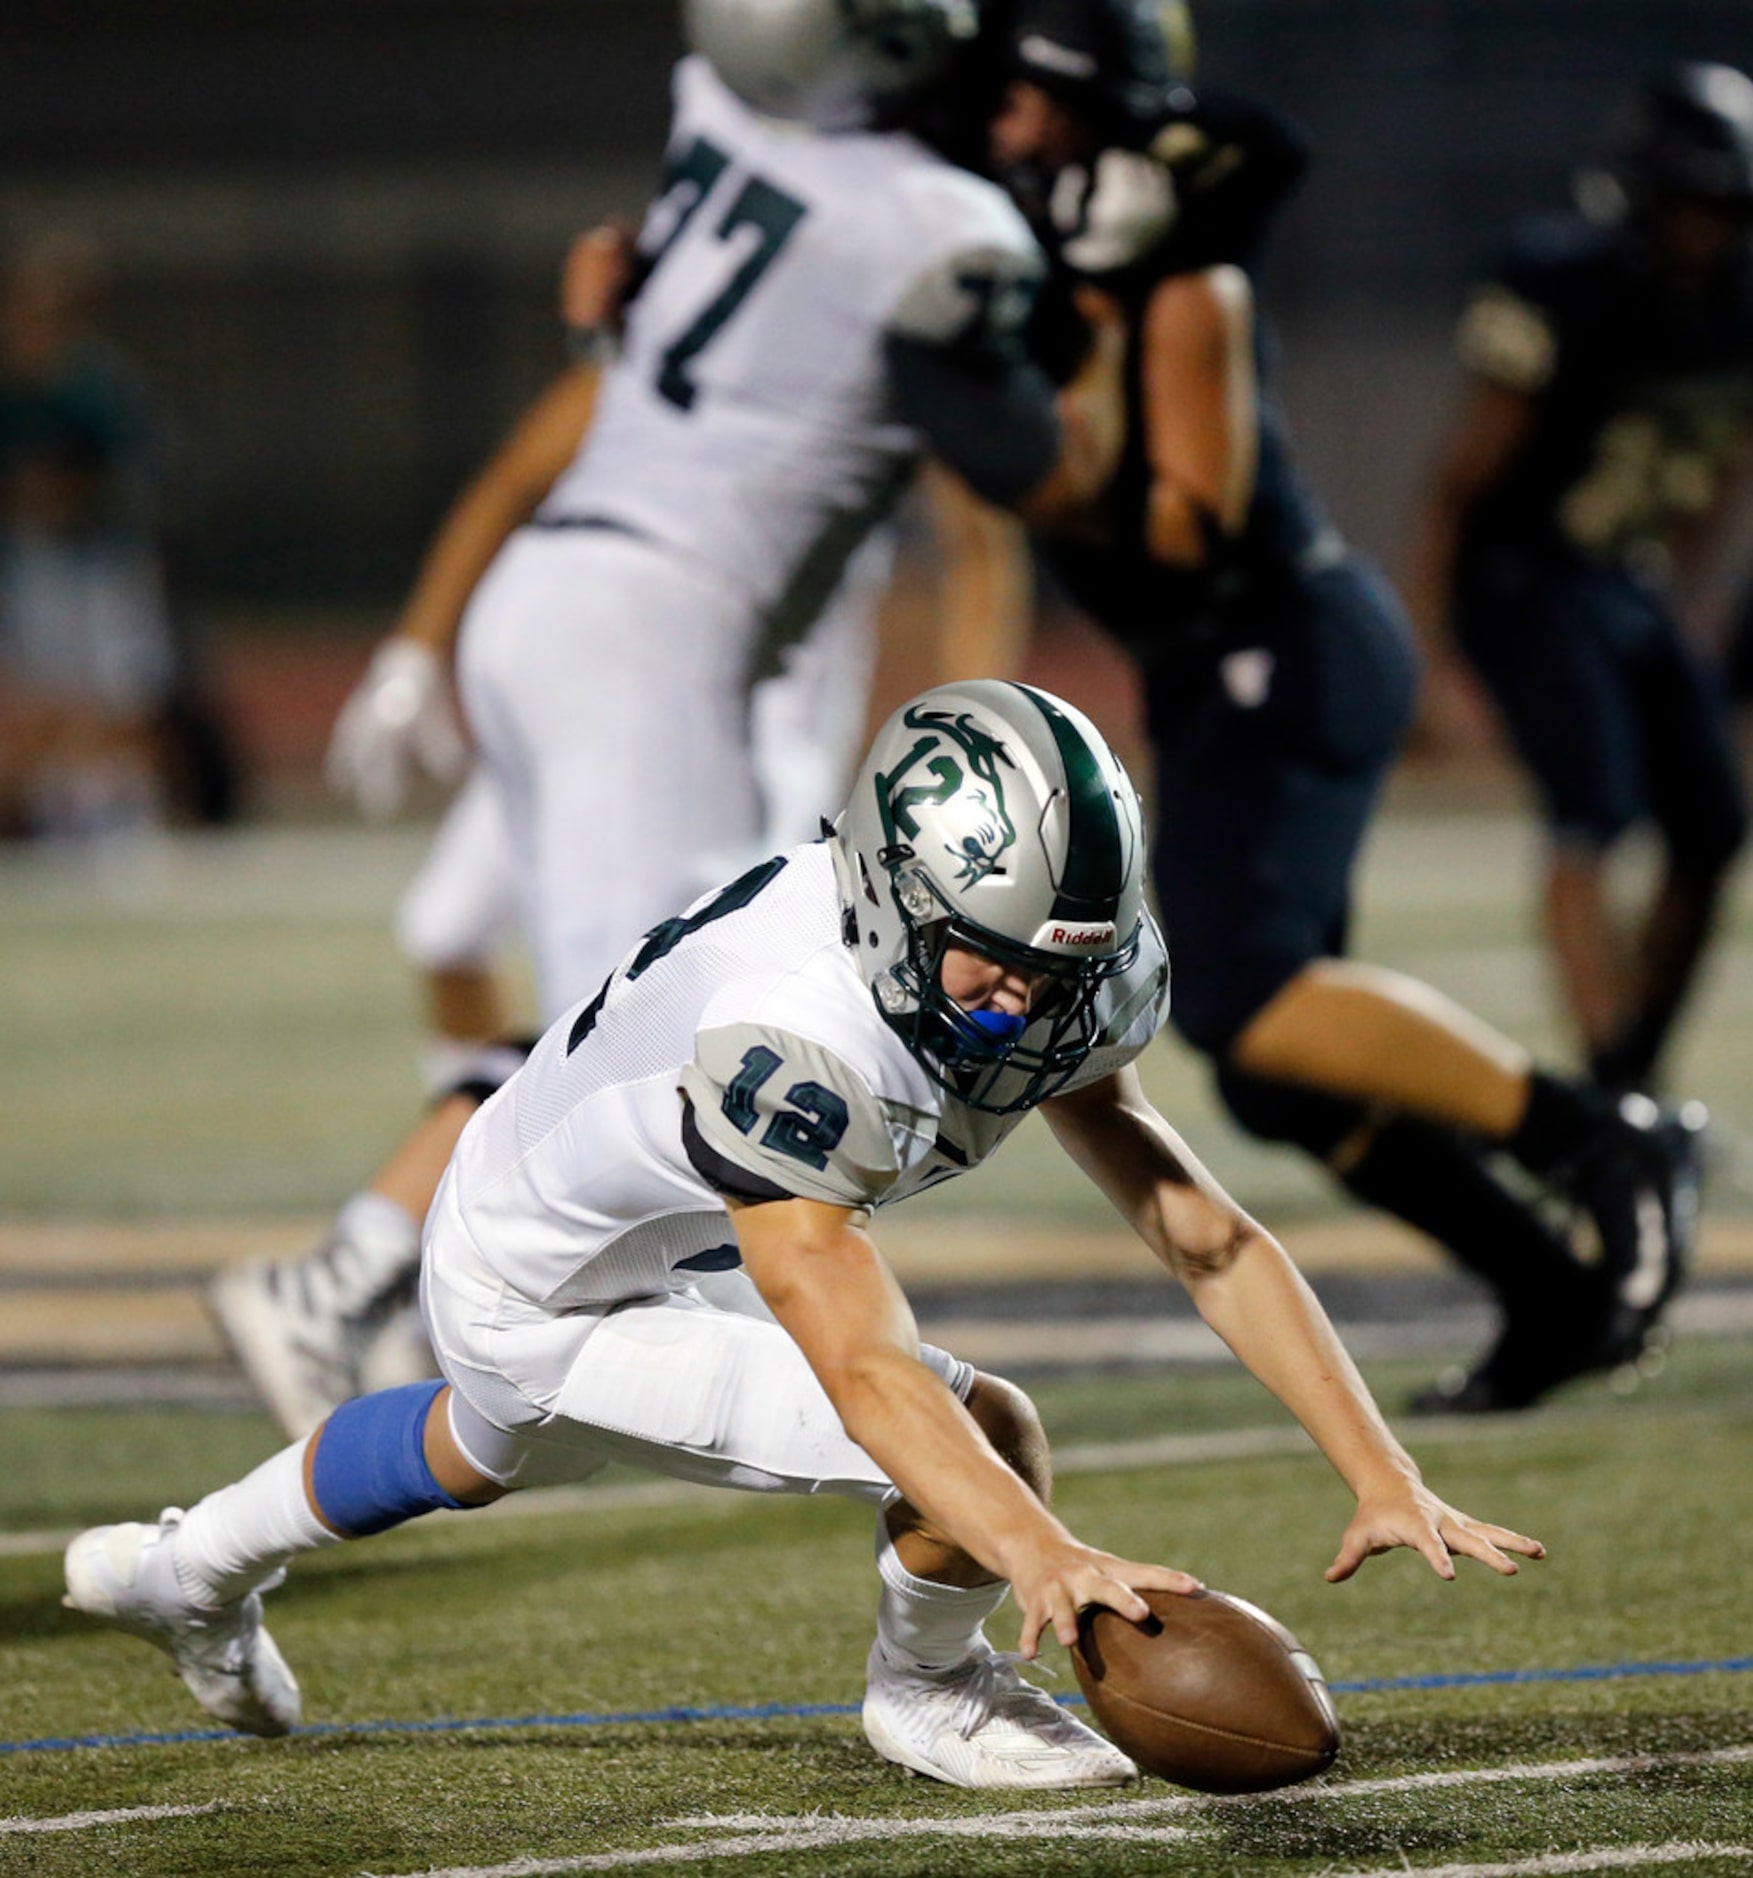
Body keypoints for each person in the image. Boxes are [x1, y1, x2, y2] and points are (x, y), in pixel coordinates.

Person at [64, 678, 1543, 1788]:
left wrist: (1378, 1469)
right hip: (539, 1266)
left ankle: (185, 1569)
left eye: (1052, 968)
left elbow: (1203, 1236)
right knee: (982, 1428)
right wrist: (1039, 1552)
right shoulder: (799, 1036)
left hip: (618, 1202)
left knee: (481, 1442)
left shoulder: (1026, 960)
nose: (1022, 1006)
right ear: (899, 891)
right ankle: (930, 1688)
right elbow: (867, 1366)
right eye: (996, 963)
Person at [982, 1, 1706, 1413]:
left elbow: (1184, 529)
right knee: (1275, 1080)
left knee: (1245, 995)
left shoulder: (1182, 279)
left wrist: (1012, 433)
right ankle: (1546, 1287)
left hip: (1288, 645)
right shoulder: (1070, 263)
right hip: (1223, 675)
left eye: (1028, 107)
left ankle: (1597, 1139)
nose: (1004, 136)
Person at [1404, 61, 1753, 1097]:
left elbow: (1721, 470)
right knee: (1589, 811)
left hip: (1620, 584)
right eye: (1690, 205)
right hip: (1524, 578)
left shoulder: (1738, 305)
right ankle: (1610, 1086)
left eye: (1725, 208)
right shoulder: (1560, 283)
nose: (1708, 230)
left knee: (1712, 823)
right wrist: (1429, 648)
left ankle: (1635, 1071)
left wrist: (1674, 597)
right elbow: (1461, 483)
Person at [0, 234, 179, 843]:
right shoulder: (10, 390)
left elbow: (139, 477)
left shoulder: (98, 387)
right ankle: (61, 817)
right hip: (33, 563)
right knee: (45, 694)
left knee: (126, 694)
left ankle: (139, 814)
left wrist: (72, 497)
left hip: (101, 559)